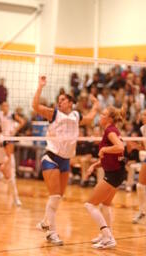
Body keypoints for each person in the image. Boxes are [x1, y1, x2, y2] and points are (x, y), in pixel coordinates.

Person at [33, 76, 99, 246]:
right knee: (54, 196)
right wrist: (40, 87)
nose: (59, 102)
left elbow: (91, 118)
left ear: (70, 102)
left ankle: (45, 222)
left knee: (58, 197)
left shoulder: (76, 115)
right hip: (51, 158)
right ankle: (51, 233)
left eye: (62, 100)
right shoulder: (54, 113)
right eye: (58, 100)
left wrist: (96, 104)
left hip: (65, 160)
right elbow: (35, 106)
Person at [84, 106, 126, 249]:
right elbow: (111, 156)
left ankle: (107, 237)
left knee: (90, 205)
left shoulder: (110, 130)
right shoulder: (111, 130)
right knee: (105, 205)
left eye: (103, 114)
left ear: (109, 119)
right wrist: (94, 166)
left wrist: (103, 149)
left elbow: (120, 147)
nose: (100, 116)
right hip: (117, 172)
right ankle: (108, 235)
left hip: (114, 174)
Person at [132, 110, 146, 223]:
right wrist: (135, 146)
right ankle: (142, 212)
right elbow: (144, 147)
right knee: (140, 186)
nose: (142, 117)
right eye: (142, 115)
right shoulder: (143, 129)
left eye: (145, 115)